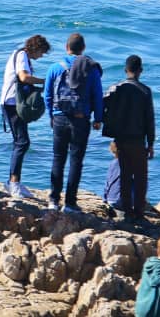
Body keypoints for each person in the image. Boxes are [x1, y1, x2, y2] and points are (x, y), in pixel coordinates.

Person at [44, 32, 103, 213]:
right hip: (80, 119)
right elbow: (97, 96)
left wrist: (51, 116)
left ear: (66, 48)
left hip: (59, 118)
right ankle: (70, 203)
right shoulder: (90, 69)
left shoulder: (55, 67)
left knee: (58, 158)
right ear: (83, 49)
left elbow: (47, 94)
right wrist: (98, 118)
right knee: (76, 160)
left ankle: (54, 199)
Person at [102, 55, 155, 221]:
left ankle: (126, 211)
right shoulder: (145, 91)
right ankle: (138, 211)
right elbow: (149, 120)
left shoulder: (115, 88)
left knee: (125, 174)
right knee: (140, 177)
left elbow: (101, 102)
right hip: (138, 140)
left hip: (120, 139)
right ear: (140, 71)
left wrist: (104, 121)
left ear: (126, 70)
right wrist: (151, 143)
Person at [0, 34, 50, 198]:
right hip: (12, 103)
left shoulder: (21, 55)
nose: (41, 56)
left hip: (14, 103)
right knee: (22, 142)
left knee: (20, 142)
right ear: (36, 48)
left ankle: (14, 181)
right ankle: (13, 183)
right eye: (41, 52)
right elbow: (23, 77)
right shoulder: (22, 55)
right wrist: (45, 81)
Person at [103, 141, 122, 210]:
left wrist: (105, 199)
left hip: (110, 199)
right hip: (121, 201)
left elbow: (107, 183)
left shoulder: (112, 164)